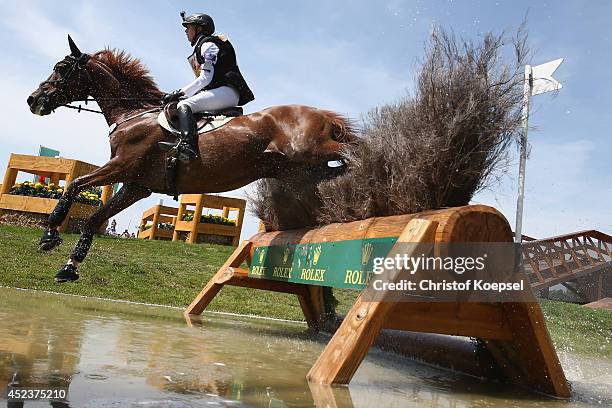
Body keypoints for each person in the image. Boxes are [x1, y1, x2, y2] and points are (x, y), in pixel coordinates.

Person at [162, 11, 255, 162]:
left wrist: (179, 94)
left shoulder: (208, 45)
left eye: (189, 27)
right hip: (219, 91)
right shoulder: (202, 46)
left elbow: (205, 78)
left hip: (227, 92)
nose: (186, 31)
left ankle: (188, 146)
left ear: (199, 28)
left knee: (185, 105)